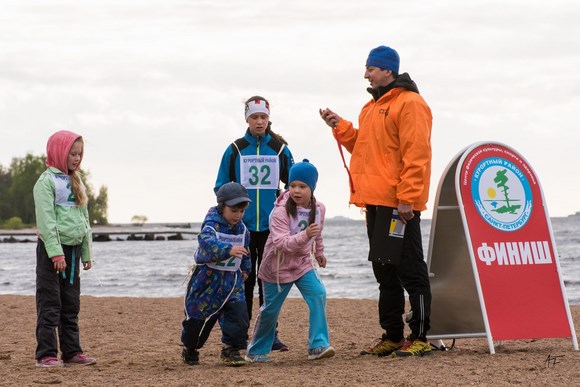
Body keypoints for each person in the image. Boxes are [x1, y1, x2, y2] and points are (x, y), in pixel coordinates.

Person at [320, 45, 433, 358]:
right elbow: (365, 148)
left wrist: (408, 199)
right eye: (366, 68)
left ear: (388, 70)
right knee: (385, 271)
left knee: (411, 270)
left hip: (400, 205)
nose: (366, 73)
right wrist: (340, 126)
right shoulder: (370, 108)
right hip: (375, 202)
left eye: (370, 68)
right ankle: (393, 336)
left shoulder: (410, 103)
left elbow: (417, 154)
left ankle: (421, 336)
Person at [214, 95, 294, 351]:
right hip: (242, 229)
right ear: (246, 118)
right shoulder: (235, 149)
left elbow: (294, 186)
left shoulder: (280, 149)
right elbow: (220, 186)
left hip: (272, 228)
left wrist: (285, 202)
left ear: (269, 119)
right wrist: (230, 214)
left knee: (269, 283)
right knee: (243, 282)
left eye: (263, 117)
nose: (259, 122)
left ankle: (269, 335)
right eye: (254, 117)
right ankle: (240, 335)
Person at [245, 159, 335, 362]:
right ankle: (256, 351)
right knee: (271, 310)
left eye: (302, 186)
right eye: (292, 185)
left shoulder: (318, 208)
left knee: (319, 294)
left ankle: (318, 345)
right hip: (277, 266)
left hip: (302, 263)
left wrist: (319, 252)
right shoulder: (279, 211)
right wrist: (305, 236)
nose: (296, 190)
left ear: (311, 188)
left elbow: (317, 232)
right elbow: (280, 243)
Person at [33, 130, 96, 368]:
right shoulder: (45, 182)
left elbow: (84, 219)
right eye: (72, 153)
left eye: (80, 154)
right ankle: (46, 354)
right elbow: (46, 222)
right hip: (52, 253)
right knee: (50, 304)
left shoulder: (76, 181)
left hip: (73, 251)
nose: (77, 158)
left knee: (71, 304)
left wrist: (86, 253)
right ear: (59, 152)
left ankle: (72, 353)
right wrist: (55, 252)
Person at [180, 182, 252, 367]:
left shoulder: (243, 230)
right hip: (208, 280)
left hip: (232, 282)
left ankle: (230, 349)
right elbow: (206, 242)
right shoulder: (211, 226)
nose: (238, 215)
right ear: (222, 207)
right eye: (234, 210)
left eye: (242, 211)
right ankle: (190, 348)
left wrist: (245, 269)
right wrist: (228, 249)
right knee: (197, 319)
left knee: (239, 316)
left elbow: (245, 250)